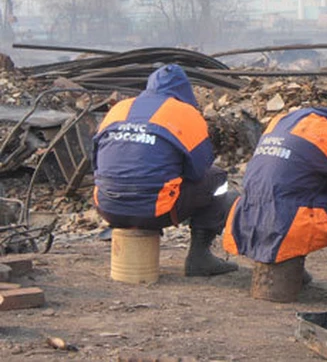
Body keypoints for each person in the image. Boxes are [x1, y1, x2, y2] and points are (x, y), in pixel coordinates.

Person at [222, 107, 327, 302]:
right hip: (287, 223)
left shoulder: (281, 122)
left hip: (248, 217)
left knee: (297, 190)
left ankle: (289, 264)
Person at [93, 64, 237, 277]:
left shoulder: (119, 108)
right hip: (156, 211)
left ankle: (133, 223)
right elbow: (199, 171)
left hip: (107, 207)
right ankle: (200, 257)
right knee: (217, 179)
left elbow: (95, 163)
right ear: (185, 91)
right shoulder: (185, 113)